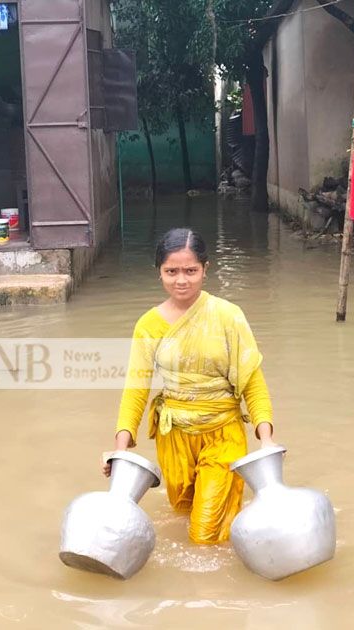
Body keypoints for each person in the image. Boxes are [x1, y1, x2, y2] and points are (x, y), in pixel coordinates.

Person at [104, 228, 277, 545]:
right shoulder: (149, 324)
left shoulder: (228, 316)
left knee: (204, 534)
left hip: (222, 433)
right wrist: (120, 448)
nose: (180, 280)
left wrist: (266, 441)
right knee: (183, 515)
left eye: (190, 271)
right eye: (171, 271)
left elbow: (253, 381)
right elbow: (136, 389)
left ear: (205, 270)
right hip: (174, 439)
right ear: (159, 272)